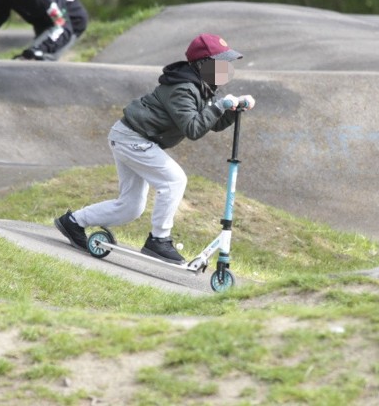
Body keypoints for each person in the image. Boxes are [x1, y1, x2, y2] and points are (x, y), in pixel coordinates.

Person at [54, 34, 255, 263]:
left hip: (131, 137)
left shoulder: (203, 86)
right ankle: (158, 240)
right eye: (220, 63)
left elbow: (214, 123)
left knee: (131, 207)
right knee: (174, 180)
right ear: (202, 64)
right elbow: (193, 129)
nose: (225, 69)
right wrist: (220, 106)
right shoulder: (183, 88)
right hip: (132, 138)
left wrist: (233, 109)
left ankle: (73, 222)